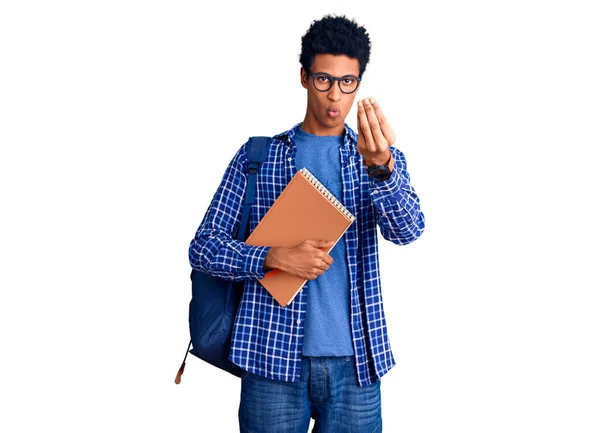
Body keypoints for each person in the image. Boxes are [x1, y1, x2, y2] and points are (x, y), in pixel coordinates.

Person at [189, 14, 425, 433]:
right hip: (269, 356)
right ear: (303, 77)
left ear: (358, 83)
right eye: (323, 80)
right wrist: (271, 257)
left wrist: (382, 168)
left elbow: (408, 230)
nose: (335, 96)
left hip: (357, 363)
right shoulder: (258, 157)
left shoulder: (377, 158)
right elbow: (203, 246)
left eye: (347, 82)